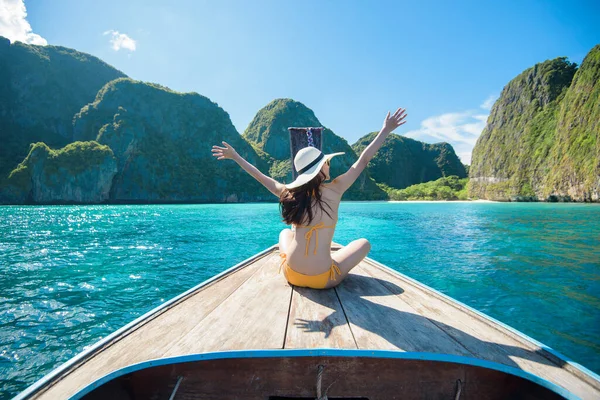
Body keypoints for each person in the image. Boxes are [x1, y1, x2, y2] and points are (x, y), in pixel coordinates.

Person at [212, 107, 407, 289]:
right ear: (320, 168)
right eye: (326, 162)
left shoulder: (288, 193)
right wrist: (385, 130)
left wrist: (236, 156)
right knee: (363, 243)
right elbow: (362, 161)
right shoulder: (337, 188)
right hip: (323, 278)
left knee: (285, 233)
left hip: (292, 274)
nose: (329, 164)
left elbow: (260, 176)